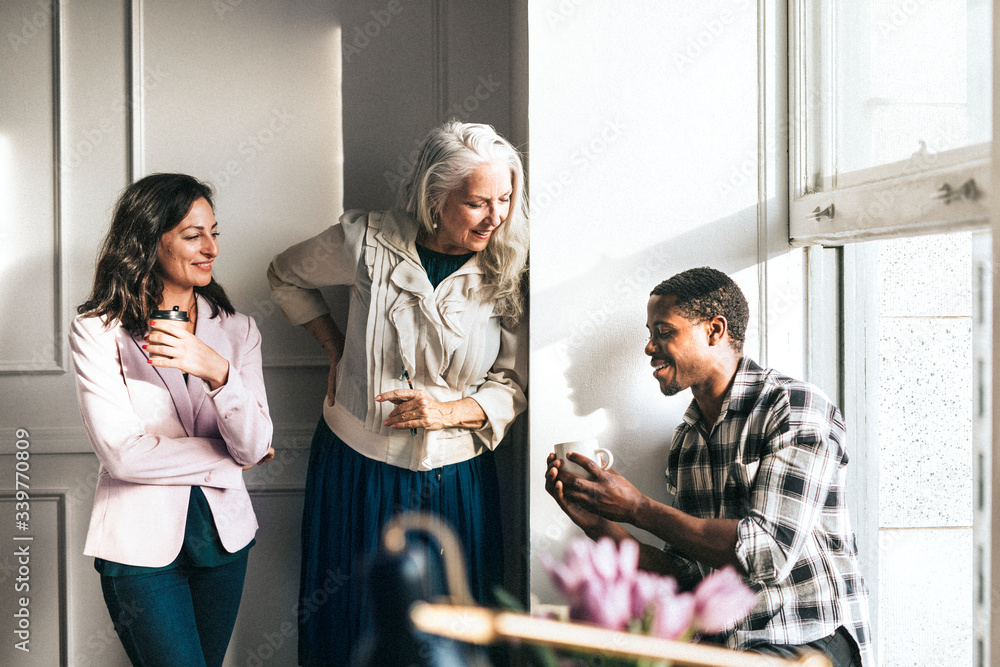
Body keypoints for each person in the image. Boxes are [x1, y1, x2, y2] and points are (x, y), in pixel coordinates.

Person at [268, 120, 528, 666]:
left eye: (505, 199)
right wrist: (333, 344)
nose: (496, 216)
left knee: (450, 631)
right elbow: (285, 273)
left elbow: (511, 381)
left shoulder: (510, 263)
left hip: (455, 476)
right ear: (435, 196)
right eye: (478, 203)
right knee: (354, 619)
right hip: (355, 466)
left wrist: (449, 411)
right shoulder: (365, 242)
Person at [545, 267, 871, 666]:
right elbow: (684, 574)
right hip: (724, 646)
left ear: (715, 331)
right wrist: (596, 524)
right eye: (650, 334)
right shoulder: (686, 442)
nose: (649, 347)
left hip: (809, 638)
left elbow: (767, 553)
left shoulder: (792, 408)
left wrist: (637, 508)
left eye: (664, 332)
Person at [70, 173, 275, 667]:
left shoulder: (239, 331)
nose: (211, 248)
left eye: (213, 232)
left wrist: (216, 370)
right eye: (192, 235)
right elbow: (123, 453)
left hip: (225, 544)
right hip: (138, 550)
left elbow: (254, 443)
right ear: (147, 241)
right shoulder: (98, 332)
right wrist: (228, 460)